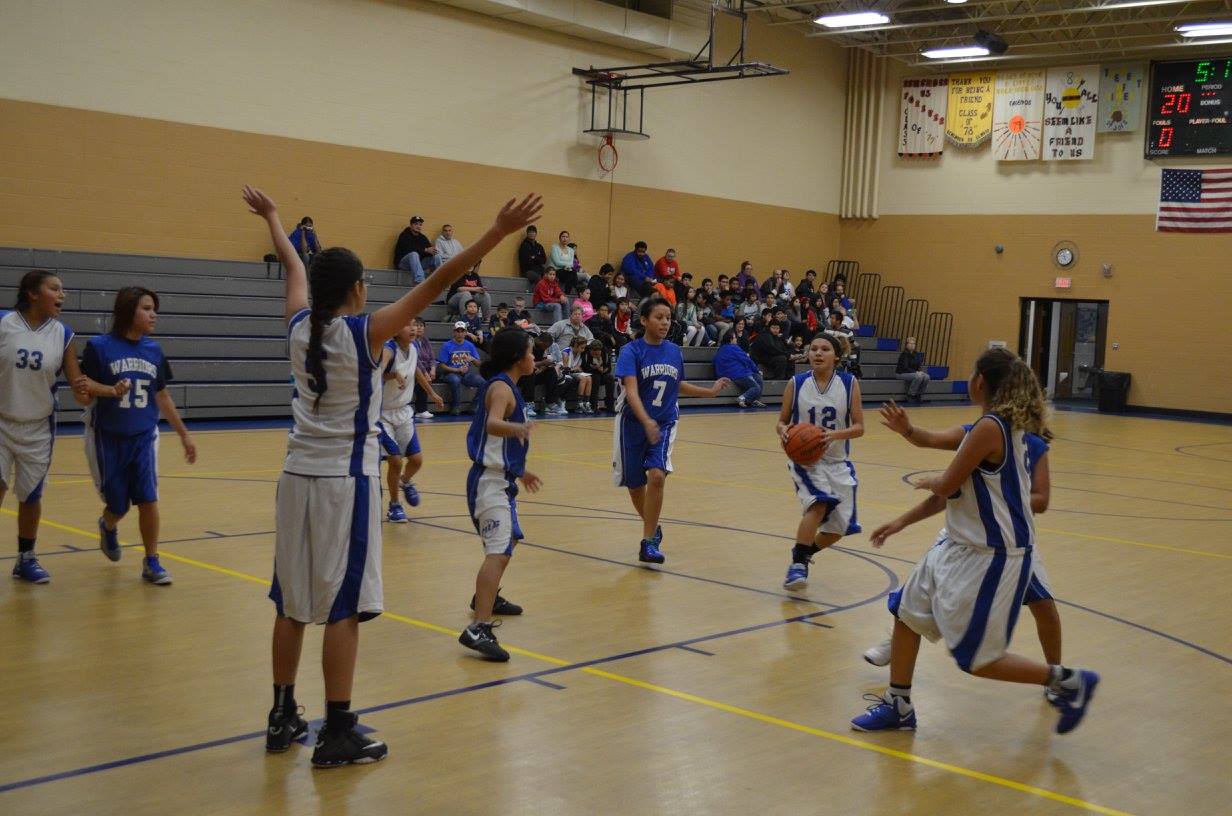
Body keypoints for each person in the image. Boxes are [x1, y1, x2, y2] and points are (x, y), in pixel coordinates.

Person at [244, 183, 541, 767]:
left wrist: (276, 218)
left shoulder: (299, 325)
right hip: (343, 482)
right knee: (343, 606)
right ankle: (337, 730)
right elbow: (436, 282)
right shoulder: (365, 332)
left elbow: (292, 264)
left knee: (290, 603)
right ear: (357, 289)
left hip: (294, 475)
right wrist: (497, 234)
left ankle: (282, 715)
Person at [850, 348, 1098, 736]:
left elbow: (947, 486)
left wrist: (930, 479)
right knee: (906, 611)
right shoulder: (990, 428)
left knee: (976, 659)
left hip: (992, 554)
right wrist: (901, 517)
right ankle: (898, 706)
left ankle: (1067, 680)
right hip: (959, 543)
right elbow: (948, 482)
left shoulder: (992, 429)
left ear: (980, 381)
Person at [862, 401, 1064, 697]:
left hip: (1007, 542)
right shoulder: (976, 435)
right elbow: (942, 479)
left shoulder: (1032, 445)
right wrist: (901, 521)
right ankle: (896, 647)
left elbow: (1041, 500)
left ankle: (1057, 675)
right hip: (963, 538)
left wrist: (1002, 497)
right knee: (914, 598)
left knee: (1043, 605)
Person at [76, 286, 196, 587]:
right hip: (108, 436)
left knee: (148, 498)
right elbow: (83, 384)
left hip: (144, 435)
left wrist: (184, 435)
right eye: (146, 308)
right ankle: (107, 525)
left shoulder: (154, 350)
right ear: (129, 310)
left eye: (154, 308)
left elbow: (163, 395)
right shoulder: (99, 347)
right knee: (118, 504)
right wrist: (105, 390)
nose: (153, 314)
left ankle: (152, 560)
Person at [613, 298, 730, 564]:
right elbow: (630, 392)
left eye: (668, 317)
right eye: (659, 317)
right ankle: (653, 527)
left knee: (657, 476)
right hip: (632, 423)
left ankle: (648, 541)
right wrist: (645, 420)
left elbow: (677, 385)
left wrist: (709, 393)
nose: (665, 322)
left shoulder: (674, 351)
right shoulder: (631, 351)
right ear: (644, 320)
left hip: (664, 422)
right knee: (634, 484)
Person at [458, 329, 541, 662]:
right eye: (531, 353)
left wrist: (521, 471)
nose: (534, 358)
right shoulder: (502, 389)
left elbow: (497, 441)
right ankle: (478, 627)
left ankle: (486, 597)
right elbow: (493, 425)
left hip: (501, 479)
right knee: (499, 552)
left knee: (511, 540)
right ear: (518, 357)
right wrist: (517, 428)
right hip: (488, 483)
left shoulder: (509, 387)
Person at [2, 271, 89, 584]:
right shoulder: (4, 323)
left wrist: (99, 389)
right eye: (55, 288)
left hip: (38, 425)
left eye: (63, 289)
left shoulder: (63, 333)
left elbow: (79, 388)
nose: (62, 294)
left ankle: (26, 558)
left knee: (31, 496)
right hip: (0, 420)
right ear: (33, 293)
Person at [777, 332, 863, 590]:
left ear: (836, 356)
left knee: (839, 528)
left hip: (837, 462)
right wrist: (782, 430)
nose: (817, 353)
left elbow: (859, 427)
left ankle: (804, 554)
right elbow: (781, 420)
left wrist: (834, 435)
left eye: (824, 349)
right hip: (806, 461)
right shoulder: (796, 382)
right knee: (818, 505)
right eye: (813, 348)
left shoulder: (849, 383)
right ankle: (798, 565)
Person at [377, 321, 443, 524]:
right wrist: (393, 374)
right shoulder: (389, 349)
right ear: (395, 330)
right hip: (381, 414)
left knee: (416, 461)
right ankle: (394, 505)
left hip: (403, 411)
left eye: (415, 324)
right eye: (407, 325)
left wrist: (432, 393)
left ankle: (405, 482)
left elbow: (416, 372)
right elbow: (375, 371)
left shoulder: (414, 348)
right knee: (395, 460)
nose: (413, 328)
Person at [437, 322, 486, 415]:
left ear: (465, 333)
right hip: (450, 373)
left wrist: (473, 359)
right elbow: (441, 365)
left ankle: (474, 405)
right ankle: (456, 406)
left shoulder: (470, 345)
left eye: (462, 331)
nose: (460, 334)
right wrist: (457, 370)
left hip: (465, 374)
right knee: (455, 380)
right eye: (457, 331)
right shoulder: (447, 345)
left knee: (484, 382)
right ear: (454, 332)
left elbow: (479, 364)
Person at [713, 329, 764, 409]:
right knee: (756, 387)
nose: (736, 339)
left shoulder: (720, 349)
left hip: (724, 374)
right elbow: (747, 360)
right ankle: (742, 398)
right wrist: (756, 370)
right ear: (731, 339)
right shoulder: (734, 348)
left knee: (758, 377)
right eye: (735, 338)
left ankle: (753, 400)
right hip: (737, 374)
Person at [393, 216, 439, 284]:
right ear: (411, 225)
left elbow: (428, 250)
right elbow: (408, 249)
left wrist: (432, 251)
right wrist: (425, 250)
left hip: (417, 264)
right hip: (403, 263)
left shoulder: (422, 237)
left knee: (437, 256)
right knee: (414, 254)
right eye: (416, 224)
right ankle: (420, 280)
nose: (418, 226)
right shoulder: (404, 235)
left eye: (420, 225)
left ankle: (440, 279)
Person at [411, 317, 438, 420]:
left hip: (427, 368)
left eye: (421, 326)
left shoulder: (425, 340)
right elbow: (416, 360)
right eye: (416, 325)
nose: (419, 328)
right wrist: (425, 373)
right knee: (421, 379)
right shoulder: (411, 341)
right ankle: (421, 410)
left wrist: (433, 369)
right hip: (416, 368)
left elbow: (432, 357)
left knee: (444, 372)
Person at [560, 336, 593, 413]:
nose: (583, 350)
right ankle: (579, 404)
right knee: (583, 378)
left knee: (589, 377)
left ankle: (586, 402)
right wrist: (573, 369)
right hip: (564, 374)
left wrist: (574, 369)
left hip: (572, 372)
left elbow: (578, 367)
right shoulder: (566, 352)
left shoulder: (579, 354)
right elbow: (566, 369)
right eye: (582, 348)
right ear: (575, 345)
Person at [582, 340, 616, 413]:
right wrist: (596, 369)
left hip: (602, 374)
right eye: (593, 353)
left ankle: (610, 405)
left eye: (597, 353)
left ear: (600, 351)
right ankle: (594, 405)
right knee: (596, 378)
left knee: (610, 378)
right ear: (590, 350)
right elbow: (585, 368)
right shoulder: (586, 354)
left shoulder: (605, 354)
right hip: (590, 374)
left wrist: (603, 370)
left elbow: (609, 368)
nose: (594, 354)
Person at [895, 336, 931, 404]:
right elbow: (905, 367)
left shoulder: (916, 354)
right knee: (918, 376)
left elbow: (918, 365)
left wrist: (920, 371)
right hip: (901, 373)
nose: (912, 345)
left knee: (927, 377)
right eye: (910, 343)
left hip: (913, 373)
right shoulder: (904, 354)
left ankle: (919, 395)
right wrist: (916, 372)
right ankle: (910, 395)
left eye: (914, 344)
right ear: (907, 344)